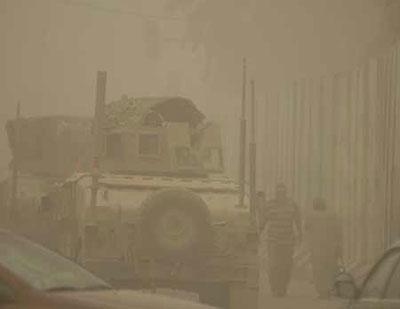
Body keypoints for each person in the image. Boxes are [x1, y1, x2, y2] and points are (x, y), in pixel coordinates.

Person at [263, 183, 302, 297]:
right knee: (273, 265)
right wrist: (257, 233)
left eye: (283, 192)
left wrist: (300, 234)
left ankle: (283, 287)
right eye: (279, 192)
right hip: (273, 241)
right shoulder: (269, 205)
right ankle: (275, 287)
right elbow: (263, 221)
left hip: (288, 241)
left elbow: (298, 220)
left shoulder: (292, 205)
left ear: (285, 193)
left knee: (287, 266)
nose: (281, 195)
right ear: (276, 193)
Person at [305, 198, 342, 299]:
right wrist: (338, 246)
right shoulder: (332, 216)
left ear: (315, 205)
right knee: (329, 269)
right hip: (330, 248)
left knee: (318, 270)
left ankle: (322, 292)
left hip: (316, 249)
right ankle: (329, 289)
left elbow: (306, 229)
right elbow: (338, 231)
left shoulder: (311, 216)